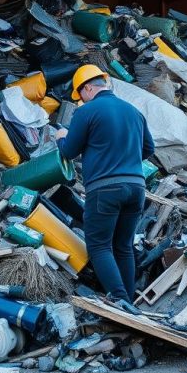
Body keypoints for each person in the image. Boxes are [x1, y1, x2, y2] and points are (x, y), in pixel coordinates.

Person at [56, 65, 155, 304]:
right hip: (136, 188)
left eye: (80, 95)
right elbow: (149, 149)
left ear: (88, 88)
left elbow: (70, 151)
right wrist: (124, 159)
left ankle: (120, 301)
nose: (80, 100)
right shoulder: (134, 112)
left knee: (99, 246)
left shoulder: (86, 112)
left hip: (105, 189)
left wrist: (61, 138)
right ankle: (129, 302)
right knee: (122, 246)